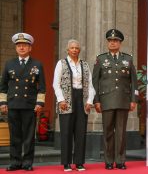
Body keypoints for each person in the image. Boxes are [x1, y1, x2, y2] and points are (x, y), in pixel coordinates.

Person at [92, 28, 137, 170]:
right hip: (106, 100)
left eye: (115, 41)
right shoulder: (101, 59)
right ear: (107, 43)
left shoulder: (128, 59)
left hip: (123, 100)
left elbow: (134, 81)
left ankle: (121, 160)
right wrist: (96, 100)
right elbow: (95, 82)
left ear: (120, 43)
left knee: (121, 132)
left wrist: (133, 99)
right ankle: (109, 161)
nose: (112, 43)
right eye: (110, 41)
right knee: (108, 132)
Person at [0, 33, 46, 171]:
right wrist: (3, 103)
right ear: (16, 48)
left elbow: (42, 87)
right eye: (19, 45)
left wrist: (39, 103)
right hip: (13, 104)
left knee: (28, 136)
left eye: (24, 45)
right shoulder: (9, 64)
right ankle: (15, 162)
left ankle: (27, 163)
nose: (21, 48)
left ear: (30, 48)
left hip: (29, 105)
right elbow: (3, 86)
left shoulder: (37, 64)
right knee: (14, 135)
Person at [52, 39, 95, 171]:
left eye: (77, 48)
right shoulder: (61, 63)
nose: (75, 50)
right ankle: (66, 163)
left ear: (79, 50)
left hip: (81, 100)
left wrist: (89, 101)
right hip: (66, 101)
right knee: (66, 133)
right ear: (67, 50)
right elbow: (56, 83)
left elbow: (91, 86)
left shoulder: (85, 65)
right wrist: (61, 100)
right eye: (72, 48)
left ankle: (79, 162)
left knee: (80, 133)